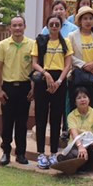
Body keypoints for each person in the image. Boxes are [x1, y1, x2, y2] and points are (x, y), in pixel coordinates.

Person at [31, 13, 73, 169]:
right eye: (51, 24)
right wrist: (46, 74)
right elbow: (34, 63)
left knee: (56, 118)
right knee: (41, 117)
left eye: (57, 24)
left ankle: (54, 153)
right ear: (47, 26)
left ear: (61, 26)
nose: (54, 27)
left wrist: (59, 81)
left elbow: (68, 64)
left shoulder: (66, 42)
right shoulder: (40, 41)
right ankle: (41, 153)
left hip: (59, 81)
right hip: (43, 79)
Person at [0, 15, 33, 165]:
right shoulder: (3, 45)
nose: (17, 28)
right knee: (7, 122)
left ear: (24, 27)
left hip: (25, 87)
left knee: (22, 123)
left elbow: (35, 68)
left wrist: (33, 88)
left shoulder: (31, 44)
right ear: (10, 28)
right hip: (8, 88)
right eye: (14, 25)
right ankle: (6, 152)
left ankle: (21, 153)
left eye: (20, 25)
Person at [68, 6, 93, 110]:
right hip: (78, 76)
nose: (88, 21)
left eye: (90, 18)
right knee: (76, 106)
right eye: (85, 18)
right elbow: (69, 55)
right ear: (80, 21)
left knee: (92, 106)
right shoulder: (72, 36)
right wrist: (84, 65)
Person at [59, 87, 93, 171]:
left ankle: (80, 164)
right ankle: (80, 164)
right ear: (75, 102)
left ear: (89, 99)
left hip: (91, 143)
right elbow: (73, 132)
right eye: (79, 98)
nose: (82, 100)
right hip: (76, 145)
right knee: (75, 154)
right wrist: (80, 146)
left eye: (85, 97)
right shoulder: (71, 115)